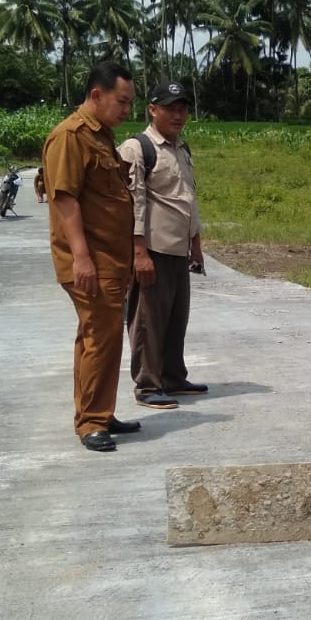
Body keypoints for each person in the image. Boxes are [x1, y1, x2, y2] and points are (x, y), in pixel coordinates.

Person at [40, 59, 145, 453]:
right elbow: (65, 200)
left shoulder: (100, 136)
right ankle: (91, 422)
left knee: (98, 338)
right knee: (99, 338)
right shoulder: (70, 136)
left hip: (109, 260)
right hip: (91, 261)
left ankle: (100, 409)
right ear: (97, 95)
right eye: (122, 101)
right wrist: (81, 258)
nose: (126, 110)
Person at [118, 81, 207, 410]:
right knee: (148, 320)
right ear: (152, 109)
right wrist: (138, 252)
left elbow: (188, 199)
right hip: (151, 249)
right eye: (170, 108)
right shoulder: (137, 148)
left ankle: (172, 376)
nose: (178, 114)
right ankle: (147, 384)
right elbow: (133, 204)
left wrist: (196, 243)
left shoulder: (181, 148)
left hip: (177, 249)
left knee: (175, 318)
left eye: (182, 108)